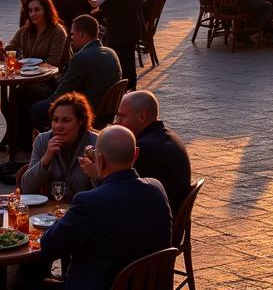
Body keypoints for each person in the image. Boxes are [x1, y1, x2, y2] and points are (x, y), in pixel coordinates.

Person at [38, 124, 172, 290]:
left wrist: (63, 220)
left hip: (102, 285)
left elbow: (50, 246)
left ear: (99, 160)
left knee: (31, 283)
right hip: (150, 284)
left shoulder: (88, 202)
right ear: (135, 154)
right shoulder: (157, 189)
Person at [0, 0, 68, 151]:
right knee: (14, 98)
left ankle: (17, 139)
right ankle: (16, 137)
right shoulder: (26, 30)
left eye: (37, 10)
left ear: (46, 10)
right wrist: (3, 52)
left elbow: (54, 63)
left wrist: (26, 67)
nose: (33, 14)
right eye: (30, 10)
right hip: (28, 79)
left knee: (19, 95)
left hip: (52, 81)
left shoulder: (57, 32)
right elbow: (11, 47)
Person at [32, 16, 121, 131]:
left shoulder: (81, 57)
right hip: (105, 110)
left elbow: (60, 94)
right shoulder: (111, 52)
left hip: (87, 109)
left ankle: (47, 142)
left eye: (73, 34)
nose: (71, 38)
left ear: (82, 35)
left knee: (36, 108)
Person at [117, 90, 192, 214]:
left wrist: (98, 174)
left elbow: (123, 190)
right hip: (168, 212)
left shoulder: (144, 148)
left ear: (142, 116)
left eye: (122, 116)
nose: (117, 122)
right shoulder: (167, 135)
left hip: (155, 222)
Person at [22, 92, 99, 198]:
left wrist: (96, 175)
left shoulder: (96, 143)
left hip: (85, 210)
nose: (58, 126)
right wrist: (46, 160)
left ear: (80, 121)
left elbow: (111, 191)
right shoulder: (43, 140)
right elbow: (26, 188)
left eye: (66, 120)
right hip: (51, 211)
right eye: (55, 120)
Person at [94, 0, 144, 90]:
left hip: (119, 28)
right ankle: (131, 86)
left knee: (120, 60)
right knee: (129, 59)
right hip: (135, 25)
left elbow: (98, 4)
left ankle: (119, 88)